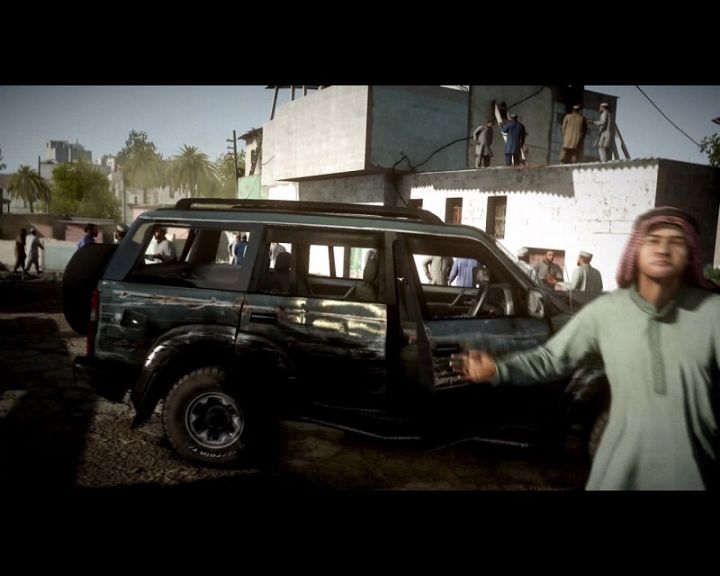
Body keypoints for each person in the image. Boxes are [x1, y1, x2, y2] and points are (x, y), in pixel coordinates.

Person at [451, 206, 720, 490]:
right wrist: (498, 369)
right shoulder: (607, 311)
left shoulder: (712, 312)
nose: (663, 249)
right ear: (636, 250)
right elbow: (551, 359)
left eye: (676, 241)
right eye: (653, 240)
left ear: (689, 253)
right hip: (618, 474)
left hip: (694, 475)